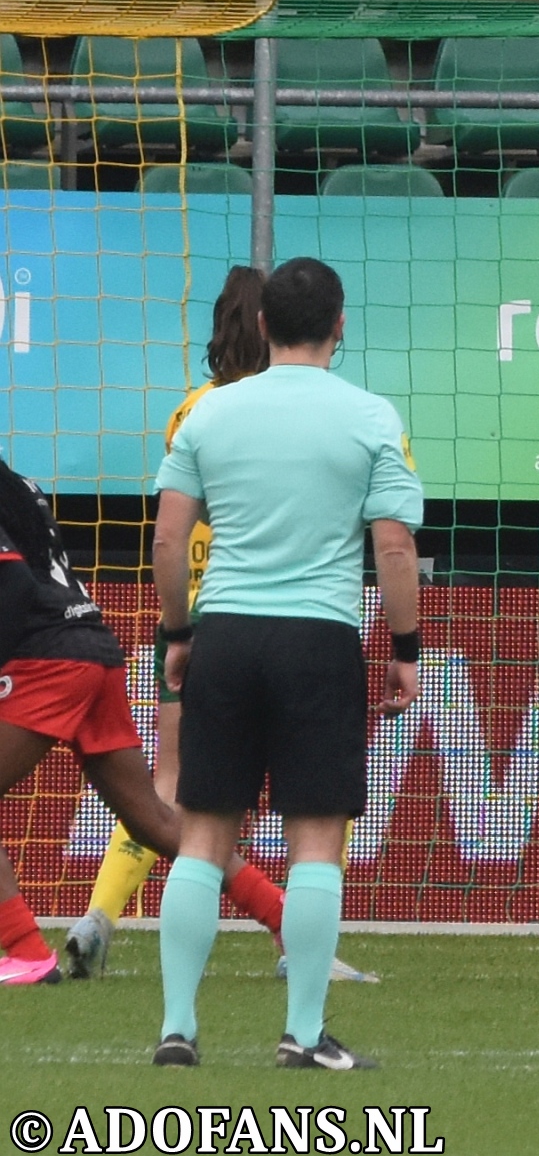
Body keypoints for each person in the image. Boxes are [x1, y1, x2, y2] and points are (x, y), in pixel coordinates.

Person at [65, 267, 375, 986]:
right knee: (320, 803)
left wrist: (177, 626)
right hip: (292, 619)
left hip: (201, 623)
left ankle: (101, 917)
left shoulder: (195, 411)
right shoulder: (306, 409)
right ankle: (304, 942)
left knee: (174, 791)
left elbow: (172, 530)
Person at [150, 256, 422, 1068]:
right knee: (315, 843)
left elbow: (167, 539)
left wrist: (177, 633)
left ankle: (176, 1028)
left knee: (202, 835)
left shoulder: (210, 413)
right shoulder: (371, 415)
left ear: (262, 325)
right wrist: (405, 651)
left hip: (227, 631)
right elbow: (395, 548)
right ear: (341, 325)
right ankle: (302, 1036)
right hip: (318, 637)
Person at [0, 458, 284, 986]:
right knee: (152, 820)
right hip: (92, 648)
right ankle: (285, 917)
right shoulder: (20, 481)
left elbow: (13, 581)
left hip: (45, 659)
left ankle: (25, 950)